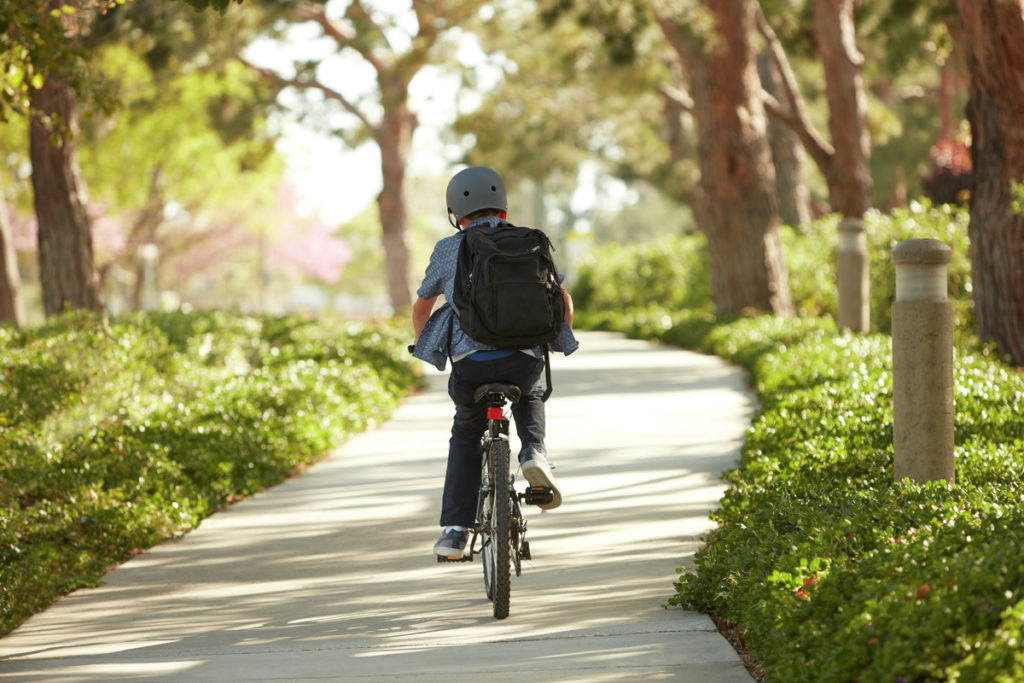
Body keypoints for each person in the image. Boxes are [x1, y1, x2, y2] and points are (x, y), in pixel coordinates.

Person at [412, 166, 579, 559]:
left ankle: (454, 531)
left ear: (456, 213)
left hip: (471, 367)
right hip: (522, 360)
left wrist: (420, 346)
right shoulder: (530, 242)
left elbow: (423, 306)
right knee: (530, 392)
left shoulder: (447, 249)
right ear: (502, 208)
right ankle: (534, 453)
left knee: (466, 432)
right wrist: (555, 341)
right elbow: (563, 301)